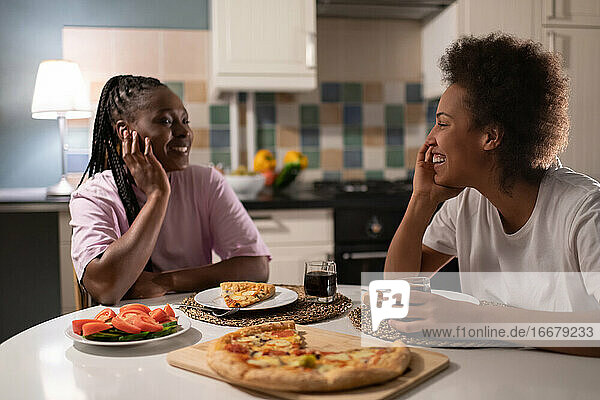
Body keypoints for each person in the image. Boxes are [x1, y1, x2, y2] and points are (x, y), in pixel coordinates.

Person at [384, 33, 600, 356]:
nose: (430, 140)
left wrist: (479, 317)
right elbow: (395, 296)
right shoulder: (467, 203)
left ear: (490, 136)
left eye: (442, 124)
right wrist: (421, 200)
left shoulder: (584, 210)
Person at [70, 75, 270, 305]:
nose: (184, 131)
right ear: (125, 132)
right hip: (124, 332)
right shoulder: (93, 196)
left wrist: (166, 281)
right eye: (166, 121)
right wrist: (158, 196)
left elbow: (257, 268)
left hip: (198, 324)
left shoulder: (206, 182)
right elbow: (106, 289)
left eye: (185, 120)